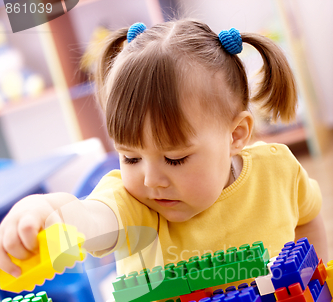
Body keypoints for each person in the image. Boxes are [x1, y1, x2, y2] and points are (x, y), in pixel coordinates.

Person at [0, 19, 328, 283]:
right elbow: (90, 217)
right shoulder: (134, 204)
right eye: (130, 157)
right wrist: (45, 210)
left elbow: (308, 216)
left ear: (236, 135)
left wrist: (315, 279)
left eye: (174, 158)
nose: (152, 179)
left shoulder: (278, 171)